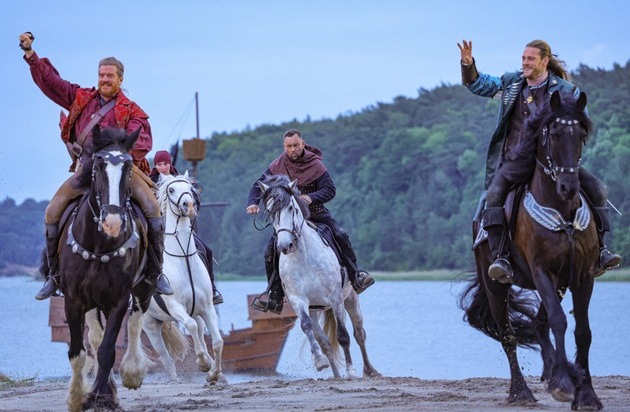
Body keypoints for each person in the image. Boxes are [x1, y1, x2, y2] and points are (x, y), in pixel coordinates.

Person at [19, 32, 173, 299]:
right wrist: (32, 56)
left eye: (109, 76)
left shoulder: (133, 111)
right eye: (101, 75)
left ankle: (155, 272)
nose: (104, 79)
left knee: (153, 210)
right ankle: (54, 276)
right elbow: (53, 84)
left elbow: (143, 140)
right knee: (52, 212)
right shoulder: (82, 99)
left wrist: (115, 154)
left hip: (124, 171)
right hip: (87, 169)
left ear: (120, 80)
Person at [458, 39, 621, 282]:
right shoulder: (511, 84)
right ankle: (501, 257)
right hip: (516, 160)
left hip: (556, 163)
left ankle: (601, 252)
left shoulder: (568, 91)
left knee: (598, 189)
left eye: (530, 59)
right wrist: (467, 64)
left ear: (544, 61)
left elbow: (582, 124)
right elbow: (479, 84)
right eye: (523, 58)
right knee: (492, 196)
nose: (525, 63)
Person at [246, 129, 374, 314]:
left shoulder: (316, 165)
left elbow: (330, 190)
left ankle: (356, 277)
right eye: (289, 146)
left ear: (303, 144)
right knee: (269, 251)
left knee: (341, 234)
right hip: (290, 219)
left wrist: (311, 198)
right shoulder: (277, 165)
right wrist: (252, 203)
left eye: (296, 145)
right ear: (284, 147)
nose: (293, 149)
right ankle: (274, 296)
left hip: (316, 213)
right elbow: (257, 187)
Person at [149, 150, 223, 305]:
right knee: (148, 255)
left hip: (184, 231)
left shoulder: (182, 181)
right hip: (160, 231)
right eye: (159, 164)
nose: (163, 167)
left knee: (207, 251)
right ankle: (145, 290)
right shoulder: (150, 182)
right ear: (155, 166)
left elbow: (195, 203)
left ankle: (212, 290)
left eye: (165, 163)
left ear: (170, 164)